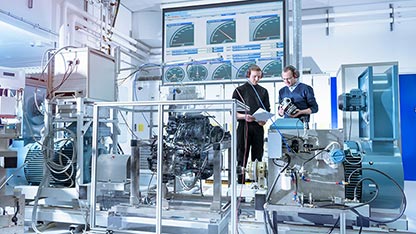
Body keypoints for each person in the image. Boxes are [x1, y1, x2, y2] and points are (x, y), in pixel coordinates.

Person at [232, 64, 270, 183]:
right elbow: (233, 113)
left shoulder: (263, 91)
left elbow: (266, 110)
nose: (257, 79)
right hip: (244, 127)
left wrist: (264, 120)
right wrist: (244, 116)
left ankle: (258, 185)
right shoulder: (239, 91)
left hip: (258, 127)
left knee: (258, 156)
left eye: (259, 77)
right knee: (241, 156)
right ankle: (240, 183)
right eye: (254, 76)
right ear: (248, 75)